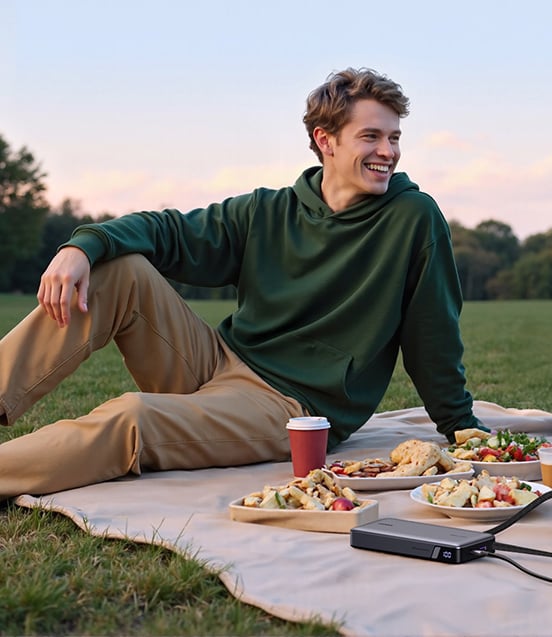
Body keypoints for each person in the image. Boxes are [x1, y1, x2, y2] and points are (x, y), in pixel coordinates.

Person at [0, 67, 483, 499]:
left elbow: (432, 331)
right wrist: (80, 246)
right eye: (371, 136)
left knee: (132, 416)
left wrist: (459, 424)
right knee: (118, 267)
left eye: (395, 137)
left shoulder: (412, 217)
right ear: (326, 140)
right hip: (216, 364)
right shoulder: (268, 211)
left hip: (288, 407)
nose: (389, 152)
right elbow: (167, 231)